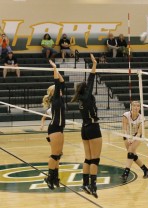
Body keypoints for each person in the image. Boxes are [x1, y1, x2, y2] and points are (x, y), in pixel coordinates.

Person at [71, 54, 102, 198]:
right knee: (95, 159)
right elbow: (92, 78)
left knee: (88, 158)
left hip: (84, 129)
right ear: (86, 90)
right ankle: (93, 186)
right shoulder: (87, 96)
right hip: (93, 127)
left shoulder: (81, 100)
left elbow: (89, 82)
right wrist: (94, 63)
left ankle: (84, 184)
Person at [42, 59, 65, 190]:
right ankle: (49, 177)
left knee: (59, 154)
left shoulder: (60, 98)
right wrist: (55, 68)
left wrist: (58, 71)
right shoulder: (55, 98)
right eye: (57, 90)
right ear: (53, 92)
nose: (60, 90)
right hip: (54, 128)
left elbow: (62, 82)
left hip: (60, 128)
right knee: (54, 154)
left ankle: (55, 177)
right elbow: (57, 82)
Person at [120, 101, 148, 182]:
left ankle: (126, 173)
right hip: (127, 135)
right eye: (134, 106)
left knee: (130, 153)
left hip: (137, 136)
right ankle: (145, 170)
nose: (136, 107)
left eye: (138, 106)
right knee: (132, 155)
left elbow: (139, 132)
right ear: (131, 107)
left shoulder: (142, 118)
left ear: (140, 108)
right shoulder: (126, 115)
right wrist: (128, 137)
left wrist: (133, 139)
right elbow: (124, 129)